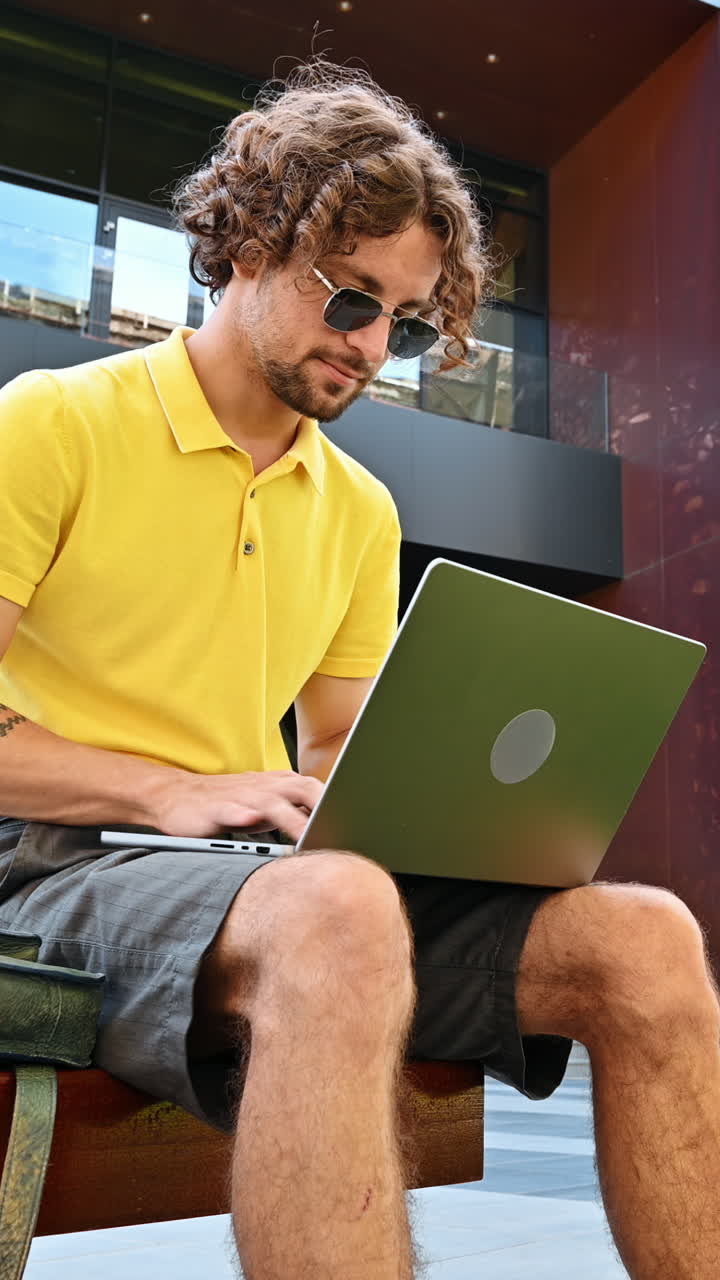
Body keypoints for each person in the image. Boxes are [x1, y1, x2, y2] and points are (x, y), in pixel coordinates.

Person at [0, 61, 717, 1280]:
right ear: (241, 245)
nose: (373, 345)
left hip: (250, 875)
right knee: (331, 906)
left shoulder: (360, 510)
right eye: (350, 300)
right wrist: (169, 791)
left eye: (408, 320)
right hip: (47, 861)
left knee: (644, 937)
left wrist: (466, 824)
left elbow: (336, 756)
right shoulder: (51, 423)